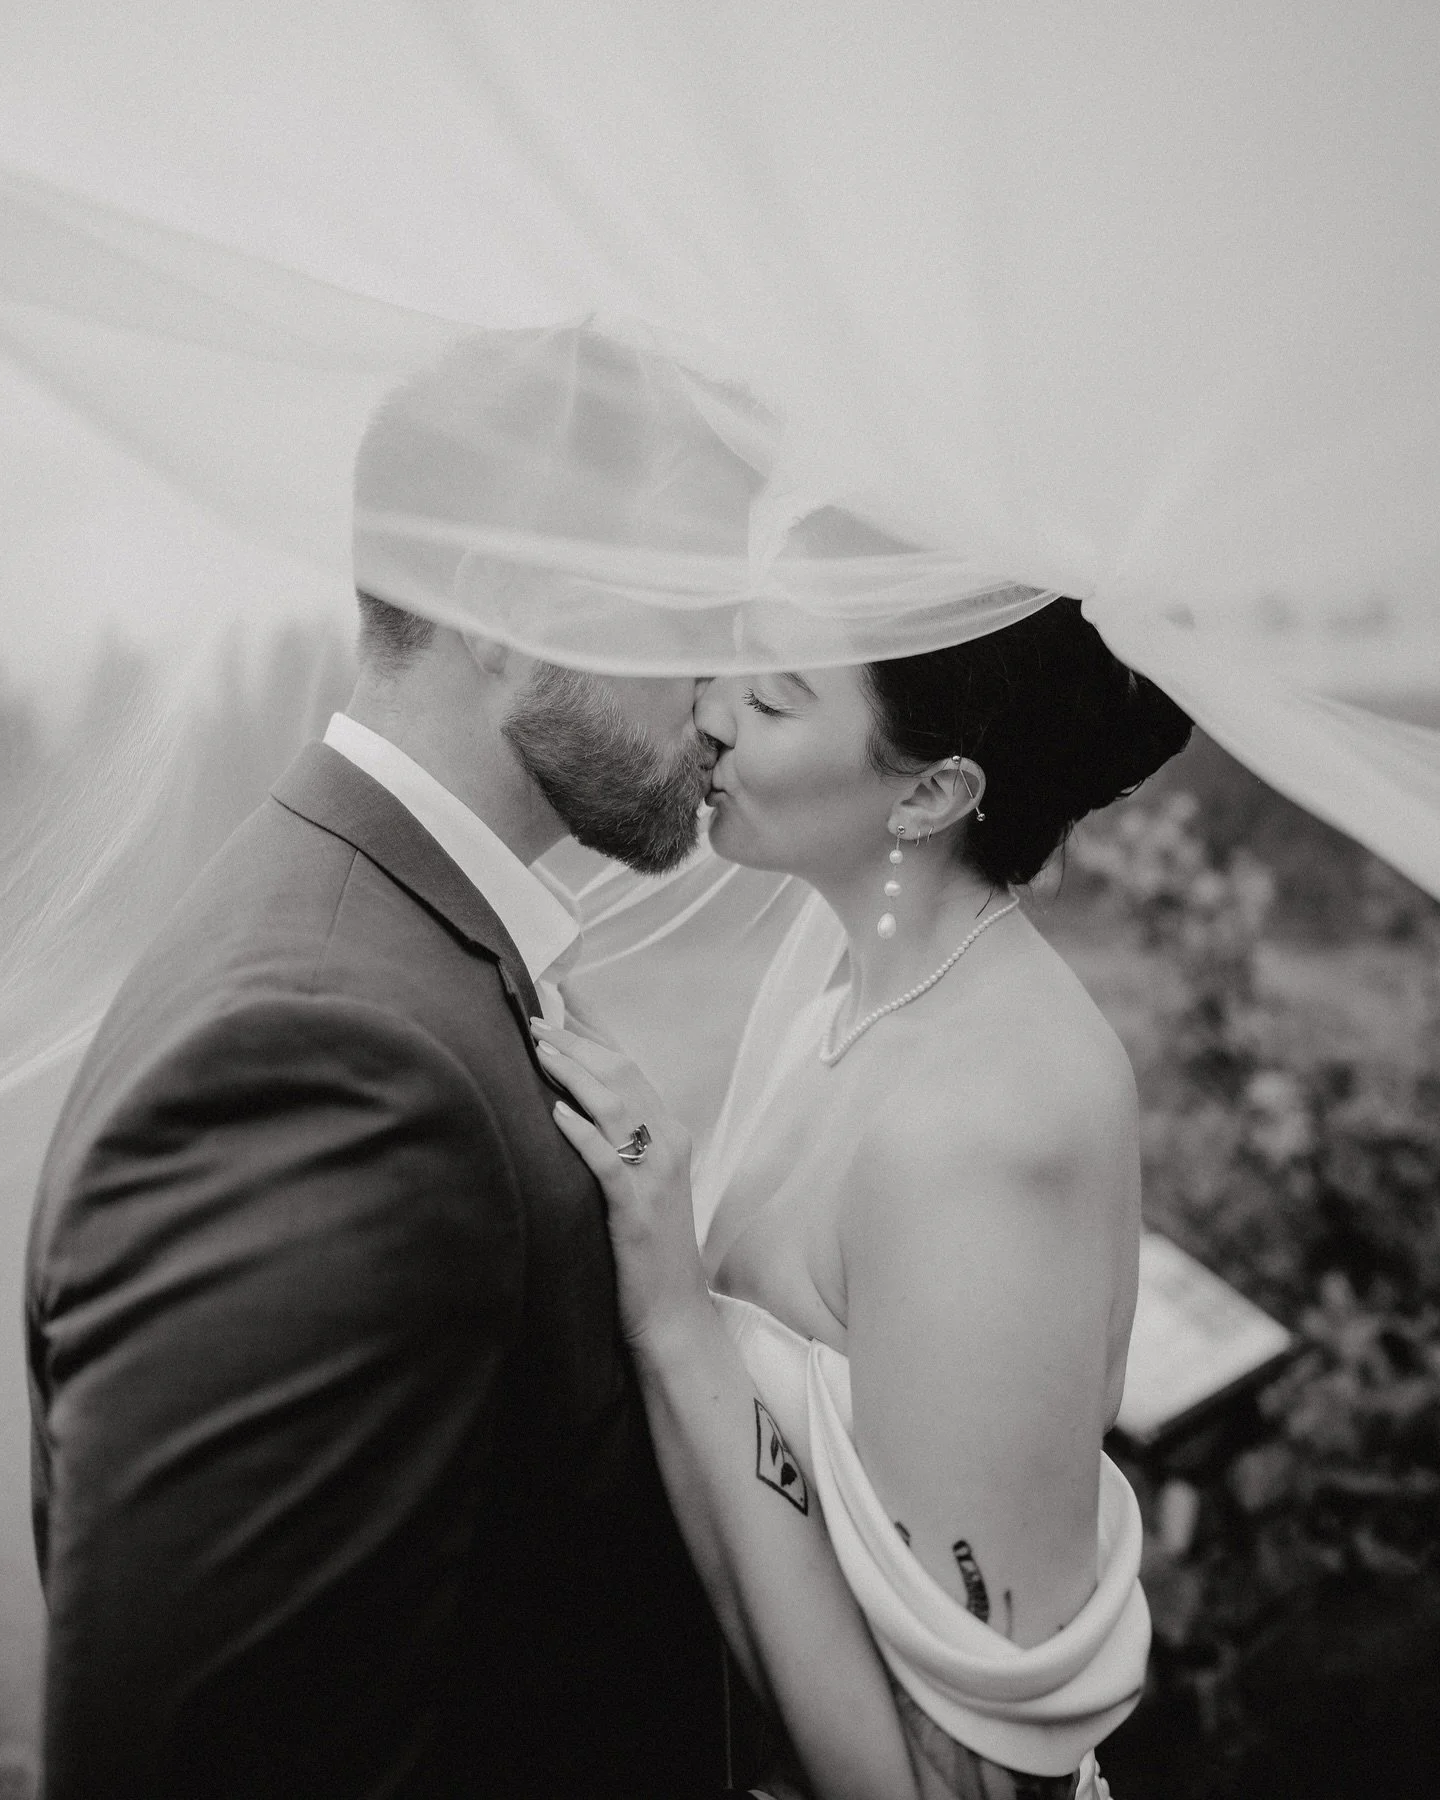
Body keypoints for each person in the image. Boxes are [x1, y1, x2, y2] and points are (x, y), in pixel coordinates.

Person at [23, 330, 755, 1800]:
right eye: (692, 618)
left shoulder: (394, 936)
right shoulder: (320, 1065)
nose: (728, 697)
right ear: (501, 608)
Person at [534, 590, 1192, 1799]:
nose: (711, 713)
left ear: (931, 793)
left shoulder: (988, 1128)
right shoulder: (858, 996)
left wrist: (677, 1318)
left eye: (776, 697)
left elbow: (951, 1787)